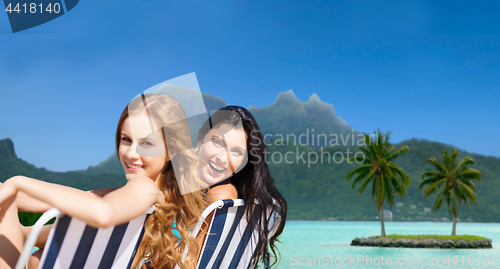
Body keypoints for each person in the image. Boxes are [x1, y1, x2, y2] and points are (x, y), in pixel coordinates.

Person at [0, 94, 205, 269]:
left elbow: (102, 213)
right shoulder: (161, 195)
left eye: (147, 143)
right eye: (126, 139)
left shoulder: (144, 189)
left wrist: (18, 182)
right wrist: (13, 197)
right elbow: (75, 198)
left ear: (170, 152)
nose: (131, 153)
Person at [195, 106, 287, 267]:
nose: (222, 159)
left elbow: (189, 262)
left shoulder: (220, 196)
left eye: (236, 152)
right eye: (217, 142)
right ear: (200, 139)